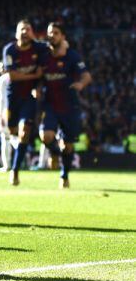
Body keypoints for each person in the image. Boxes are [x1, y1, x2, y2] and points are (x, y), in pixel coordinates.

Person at [38, 22, 92, 188]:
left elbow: (86, 76)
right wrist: (38, 88)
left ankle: (64, 175)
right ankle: (54, 153)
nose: (52, 35)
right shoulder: (44, 54)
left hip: (69, 106)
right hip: (51, 105)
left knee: (67, 146)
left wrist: (81, 85)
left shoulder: (72, 56)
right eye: (50, 32)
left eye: (56, 33)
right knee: (45, 136)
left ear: (63, 36)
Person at [2, 19, 46, 186]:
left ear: (32, 32)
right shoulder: (9, 50)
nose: (24, 32)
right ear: (16, 33)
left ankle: (15, 170)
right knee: (12, 131)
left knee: (24, 132)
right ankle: (16, 161)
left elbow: (54, 48)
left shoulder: (39, 48)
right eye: (21, 29)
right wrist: (35, 76)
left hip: (28, 98)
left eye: (28, 29)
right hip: (12, 98)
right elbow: (12, 75)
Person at [0, 61, 12, 172]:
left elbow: (1, 98)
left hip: (5, 112)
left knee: (5, 138)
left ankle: (7, 165)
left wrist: (0, 115)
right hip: (16, 110)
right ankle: (19, 161)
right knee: (15, 138)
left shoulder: (2, 79)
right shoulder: (15, 77)